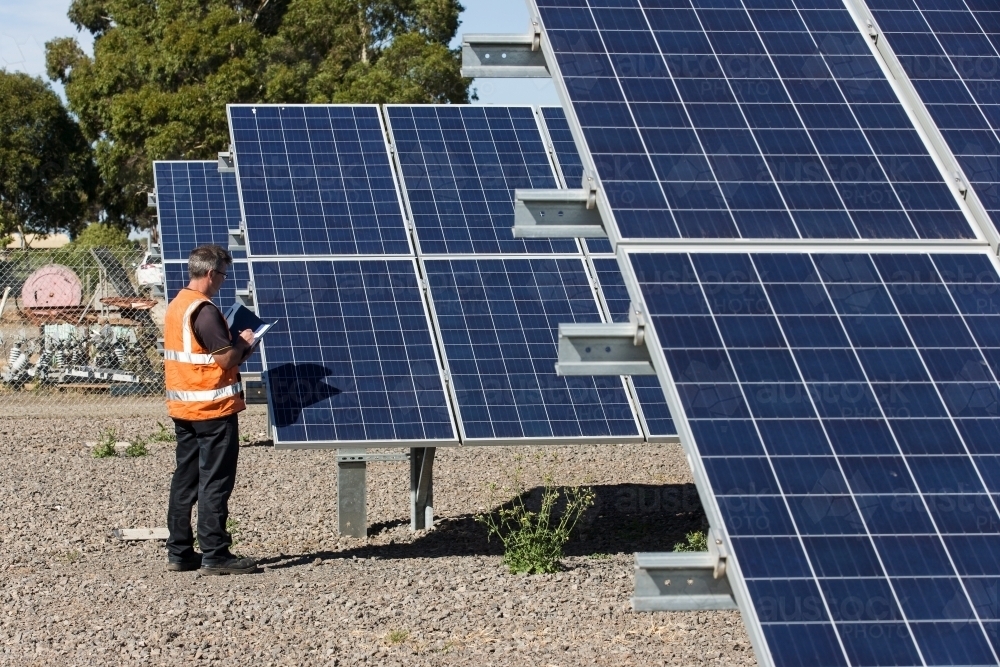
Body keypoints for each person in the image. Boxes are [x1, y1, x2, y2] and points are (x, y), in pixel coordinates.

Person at [163, 244, 257, 575]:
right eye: (222, 276)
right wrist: (245, 341)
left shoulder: (177, 305)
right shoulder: (204, 310)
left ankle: (179, 551)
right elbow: (224, 358)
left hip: (184, 407)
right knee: (214, 481)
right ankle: (215, 553)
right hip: (212, 408)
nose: (222, 282)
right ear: (209, 274)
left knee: (185, 479)